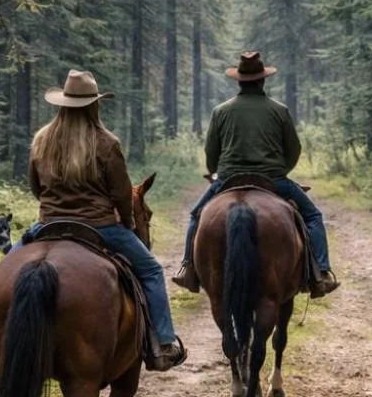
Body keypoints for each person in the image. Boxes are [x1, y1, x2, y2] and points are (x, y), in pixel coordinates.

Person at [24, 69, 186, 371]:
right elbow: (122, 194)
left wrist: (54, 208)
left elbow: (36, 187)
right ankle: (163, 342)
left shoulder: (41, 140)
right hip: (99, 225)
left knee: (7, 265)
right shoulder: (106, 142)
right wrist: (126, 223)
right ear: (94, 105)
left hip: (48, 225)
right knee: (151, 270)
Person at [172, 51, 339, 297]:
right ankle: (321, 273)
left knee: (197, 215)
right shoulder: (279, 110)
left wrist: (215, 170)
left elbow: (211, 152)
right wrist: (281, 170)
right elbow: (293, 149)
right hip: (272, 179)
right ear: (263, 80)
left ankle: (188, 268)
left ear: (239, 81)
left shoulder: (221, 111)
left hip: (229, 178)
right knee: (313, 217)